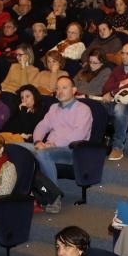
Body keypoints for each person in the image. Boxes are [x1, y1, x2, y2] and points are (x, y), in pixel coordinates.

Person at [27, 76, 92, 213]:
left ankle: (54, 198)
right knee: (17, 149)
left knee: (42, 154)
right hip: (48, 148)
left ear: (74, 90)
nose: (60, 91)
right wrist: (38, 141)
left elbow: (78, 135)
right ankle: (24, 195)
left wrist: (54, 144)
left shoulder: (83, 109)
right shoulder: (53, 108)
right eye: (57, 88)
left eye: (64, 87)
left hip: (71, 151)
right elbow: (42, 126)